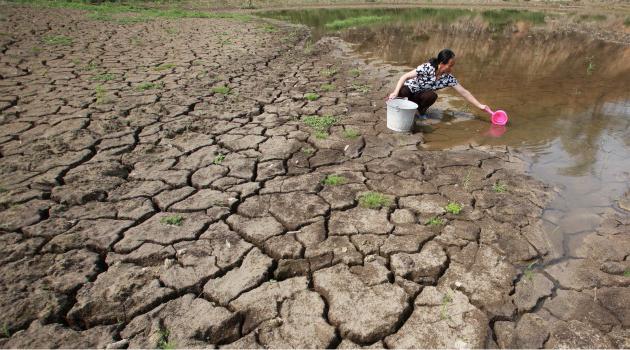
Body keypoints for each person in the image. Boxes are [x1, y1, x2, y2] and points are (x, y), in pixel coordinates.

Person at [387, 48, 488, 118]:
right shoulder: (427, 67)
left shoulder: (448, 78)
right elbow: (404, 76)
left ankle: (421, 111)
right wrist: (395, 92)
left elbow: (464, 92)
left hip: (421, 95)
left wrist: (480, 106)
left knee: (432, 96)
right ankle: (403, 109)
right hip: (410, 91)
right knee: (403, 91)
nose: (452, 68)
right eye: (450, 65)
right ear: (442, 64)